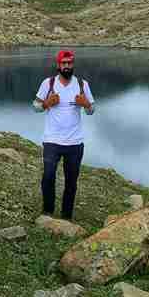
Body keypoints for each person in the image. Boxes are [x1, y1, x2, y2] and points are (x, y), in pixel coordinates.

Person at [31, 49, 95, 220]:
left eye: (69, 63)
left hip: (75, 142)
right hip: (52, 141)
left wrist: (86, 104)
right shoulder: (48, 83)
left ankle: (67, 216)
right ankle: (48, 211)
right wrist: (46, 104)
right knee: (48, 176)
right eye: (63, 63)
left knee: (71, 182)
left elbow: (92, 110)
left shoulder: (82, 84)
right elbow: (35, 106)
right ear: (58, 65)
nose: (67, 66)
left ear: (73, 64)